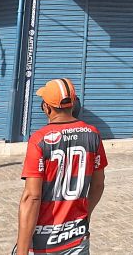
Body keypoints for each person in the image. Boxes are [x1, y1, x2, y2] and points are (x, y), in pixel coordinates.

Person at [15, 78, 106, 255]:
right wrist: (82, 217)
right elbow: (98, 185)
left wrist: (22, 251)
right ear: (74, 105)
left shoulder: (39, 140)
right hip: (77, 237)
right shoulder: (93, 135)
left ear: (46, 108)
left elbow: (32, 197)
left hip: (44, 241)